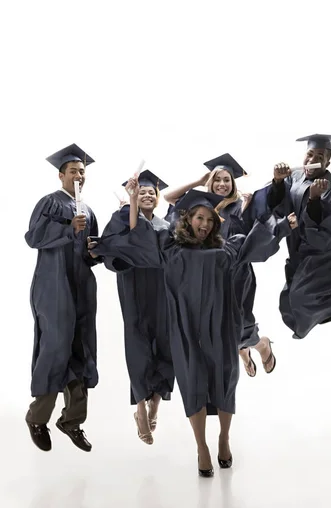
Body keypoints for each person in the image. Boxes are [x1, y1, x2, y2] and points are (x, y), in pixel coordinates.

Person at [92, 179, 297, 476]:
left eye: (209, 219)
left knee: (225, 378)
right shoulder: (170, 249)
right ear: (187, 220)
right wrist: (121, 220)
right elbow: (138, 237)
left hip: (220, 327)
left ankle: (224, 437)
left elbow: (254, 243)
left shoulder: (226, 251)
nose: (204, 223)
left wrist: (282, 227)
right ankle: (201, 446)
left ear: (216, 224)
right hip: (186, 329)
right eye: (199, 217)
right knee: (191, 379)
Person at [243, 133, 331, 345]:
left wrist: (315, 198)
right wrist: (278, 182)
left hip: (327, 255)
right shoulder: (296, 176)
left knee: (302, 300)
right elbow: (276, 203)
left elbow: (324, 231)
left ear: (328, 161)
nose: (312, 160)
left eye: (319, 156)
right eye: (309, 154)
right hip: (302, 253)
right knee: (292, 309)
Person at [163, 153, 276, 377]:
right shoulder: (199, 206)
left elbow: (252, 233)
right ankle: (242, 349)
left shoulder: (241, 204)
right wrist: (198, 182)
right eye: (217, 179)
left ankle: (261, 345)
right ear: (210, 182)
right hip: (208, 274)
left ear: (233, 183)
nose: (222, 184)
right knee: (216, 326)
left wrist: (246, 207)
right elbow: (168, 197)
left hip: (237, 273)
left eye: (227, 180)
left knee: (240, 321)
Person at [24, 143, 101, 452]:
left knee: (81, 347)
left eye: (82, 172)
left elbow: (86, 251)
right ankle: (37, 418)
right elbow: (34, 237)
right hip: (53, 285)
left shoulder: (89, 210)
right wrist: (69, 228)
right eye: (73, 172)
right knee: (56, 347)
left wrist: (95, 250)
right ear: (61, 175)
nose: (79, 176)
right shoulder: (50, 203)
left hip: (81, 286)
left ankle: (72, 421)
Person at [95, 170, 174, 446]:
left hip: (162, 288)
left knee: (165, 344)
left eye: (152, 192)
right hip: (133, 286)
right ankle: (140, 407)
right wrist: (132, 251)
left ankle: (156, 402)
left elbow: (173, 257)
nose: (148, 195)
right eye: (142, 192)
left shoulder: (166, 225)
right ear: (134, 196)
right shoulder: (120, 218)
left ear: (158, 197)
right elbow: (109, 248)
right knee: (138, 342)